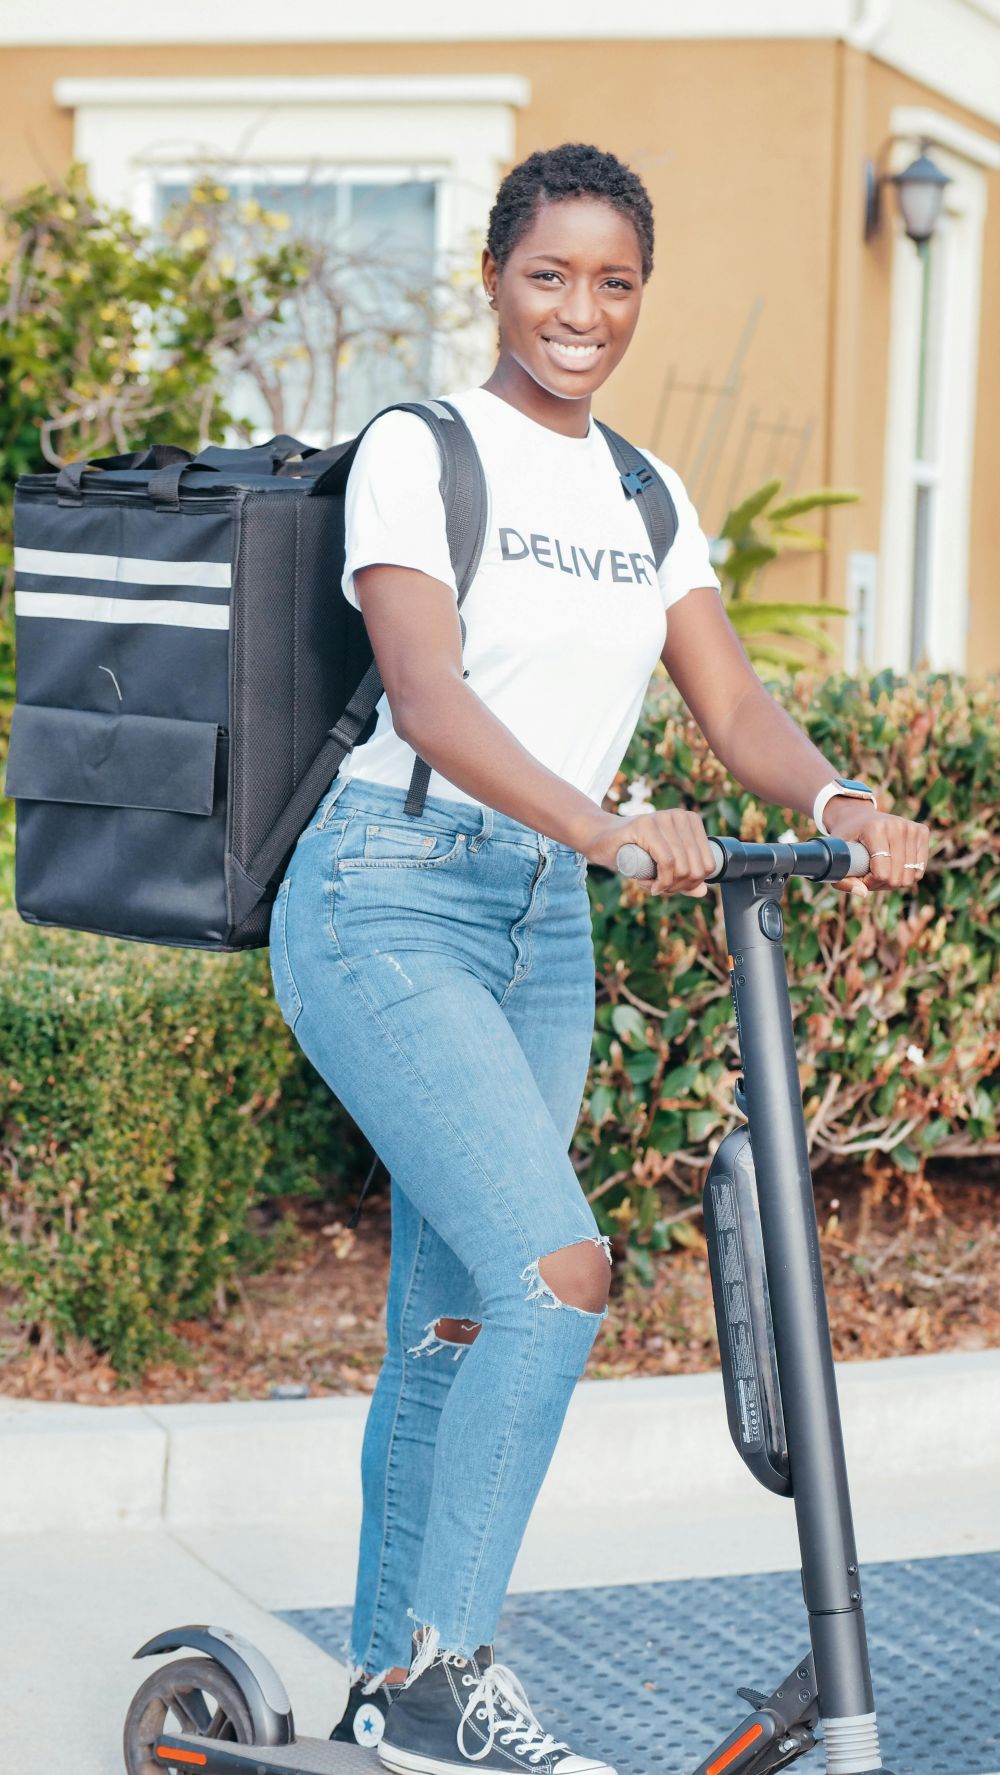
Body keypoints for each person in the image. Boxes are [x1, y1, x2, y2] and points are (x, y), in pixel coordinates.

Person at [269, 142, 930, 1775]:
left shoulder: (645, 494)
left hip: (537, 923)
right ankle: (449, 1677)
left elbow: (733, 700)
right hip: (387, 892)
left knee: (458, 1316)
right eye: (550, 275)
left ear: (642, 295)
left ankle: (389, 1688)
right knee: (555, 1273)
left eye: (615, 282)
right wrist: (605, 822)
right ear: (495, 278)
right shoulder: (423, 452)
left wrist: (836, 798)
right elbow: (427, 693)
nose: (582, 311)